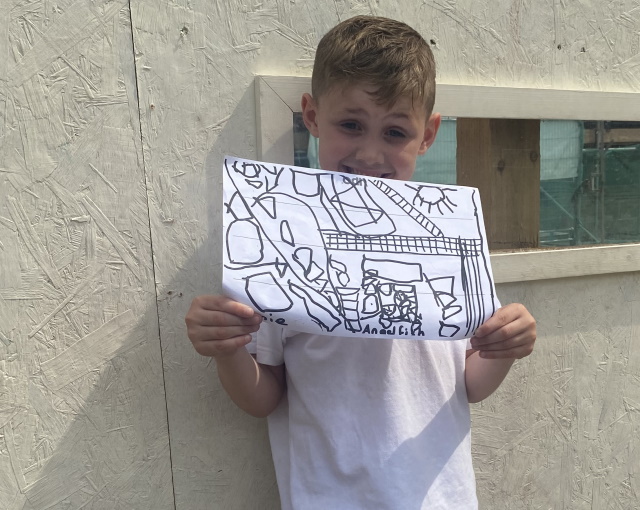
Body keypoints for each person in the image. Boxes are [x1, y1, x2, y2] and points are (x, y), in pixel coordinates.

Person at [185, 15, 536, 509]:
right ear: (310, 115)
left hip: (441, 497)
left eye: (395, 132)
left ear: (428, 134)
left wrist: (504, 347)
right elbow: (263, 396)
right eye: (350, 125)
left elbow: (469, 383)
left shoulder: (450, 235)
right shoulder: (278, 237)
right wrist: (226, 348)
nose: (370, 153)